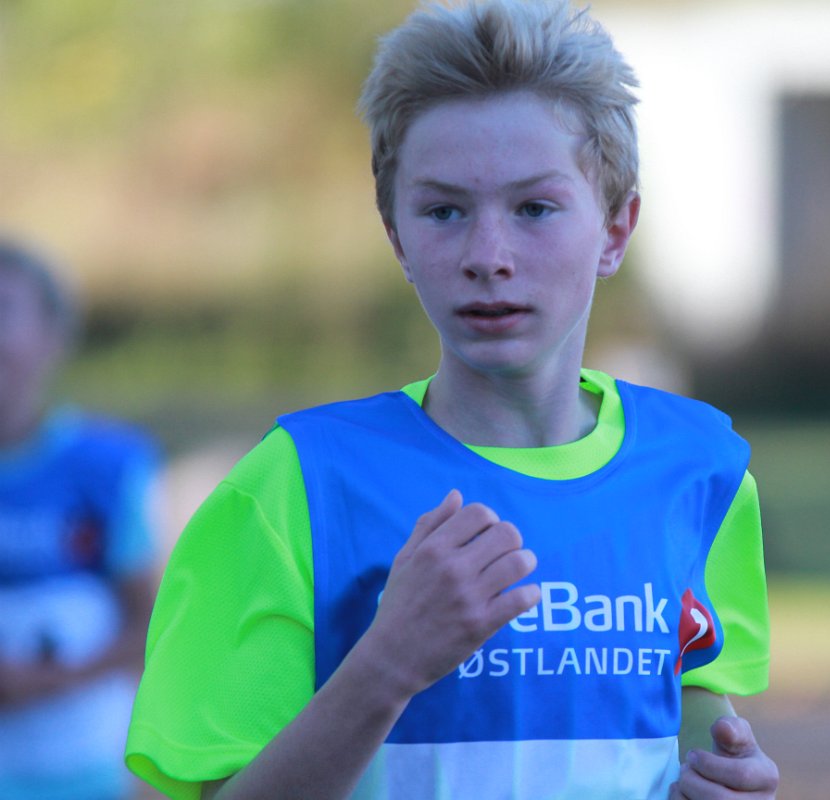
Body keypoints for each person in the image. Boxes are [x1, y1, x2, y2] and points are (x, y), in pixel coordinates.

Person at [125, 1, 778, 797]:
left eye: (534, 208)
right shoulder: (294, 488)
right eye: (443, 211)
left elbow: (694, 720)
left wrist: (727, 779)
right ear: (397, 236)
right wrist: (387, 664)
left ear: (615, 228)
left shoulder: (699, 467)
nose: (487, 256)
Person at [0, 239, 161, 799]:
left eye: (3, 310)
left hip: (87, 771)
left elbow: (151, 623)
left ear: (53, 336)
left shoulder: (109, 465)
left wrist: (51, 680)